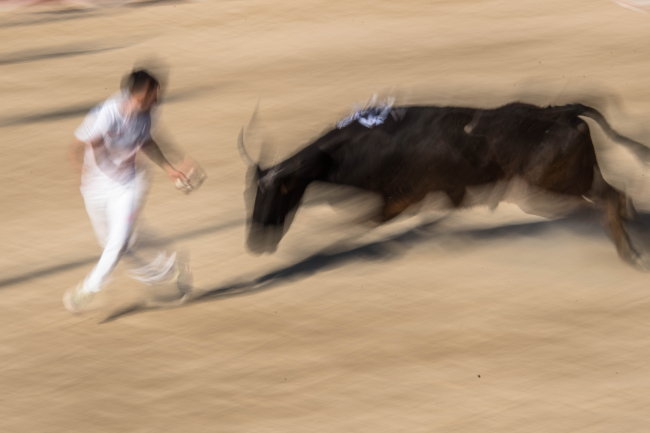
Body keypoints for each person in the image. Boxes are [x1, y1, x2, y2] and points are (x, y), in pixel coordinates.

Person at [64, 69, 195, 313]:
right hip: (94, 188)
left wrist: (169, 168)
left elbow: (146, 141)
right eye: (155, 93)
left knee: (119, 242)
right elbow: (86, 143)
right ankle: (168, 271)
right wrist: (86, 170)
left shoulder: (146, 116)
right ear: (143, 92)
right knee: (115, 247)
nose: (158, 98)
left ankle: (86, 291)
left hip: (125, 186)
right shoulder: (108, 112)